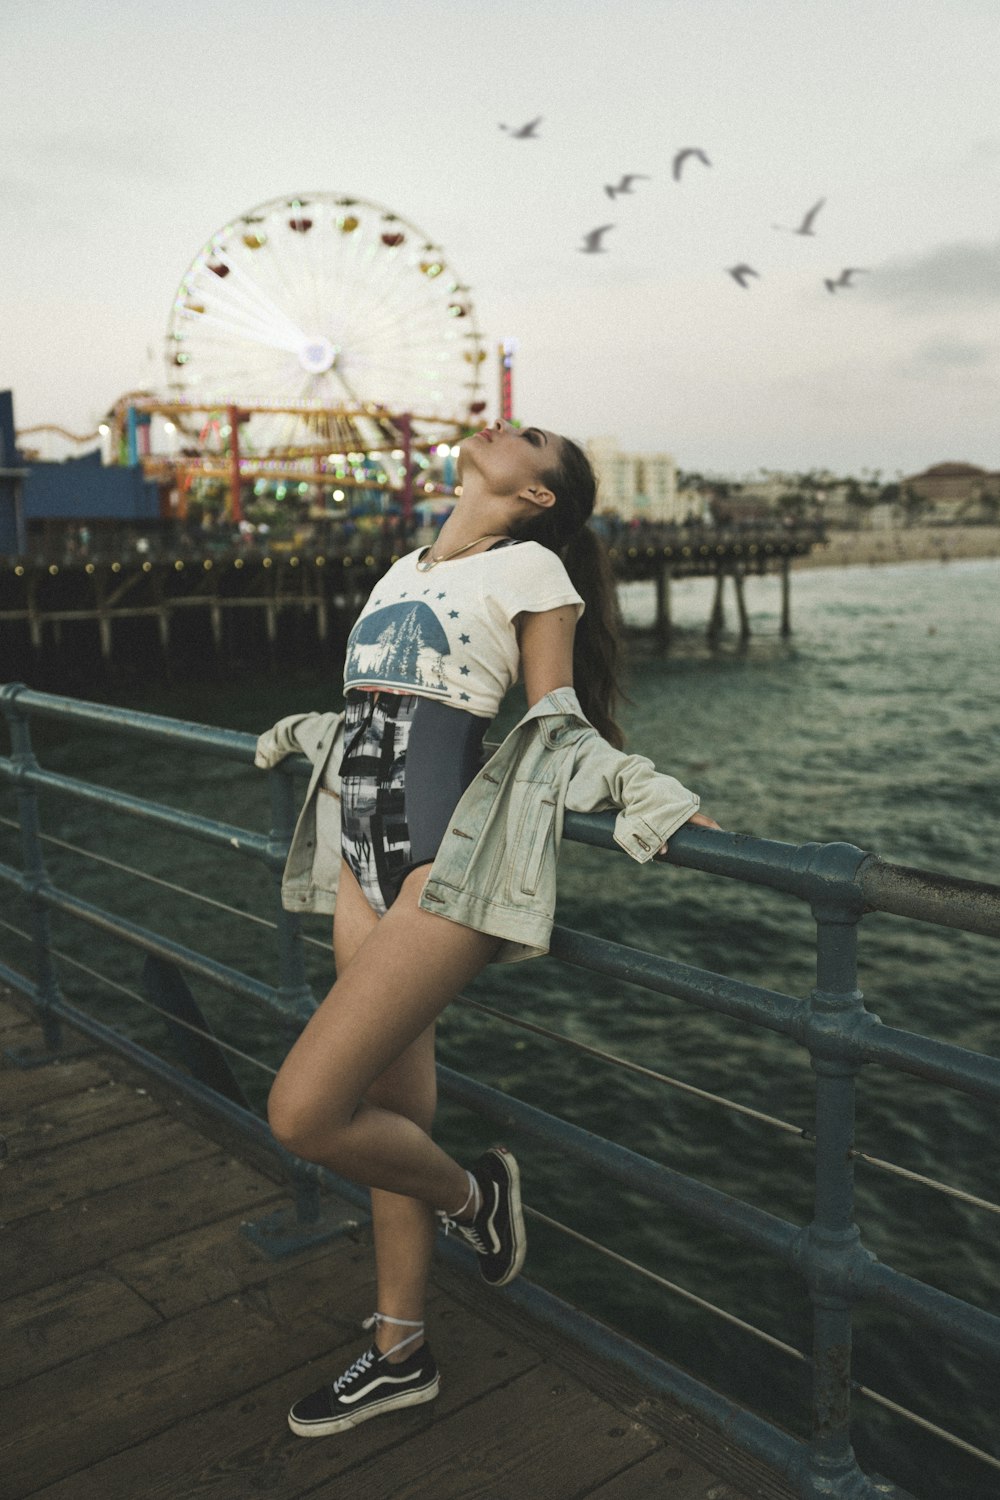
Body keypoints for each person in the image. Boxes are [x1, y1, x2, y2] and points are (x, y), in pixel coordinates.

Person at [265, 419, 719, 1438]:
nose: (503, 424)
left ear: (538, 495)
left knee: (302, 1112)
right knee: (389, 1122)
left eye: (532, 435)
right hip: (357, 859)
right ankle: (400, 1352)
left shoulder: (531, 571)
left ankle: (477, 1202)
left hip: (442, 868)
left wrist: (640, 787)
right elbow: (382, 701)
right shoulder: (398, 569)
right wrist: (312, 731)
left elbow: (553, 718)